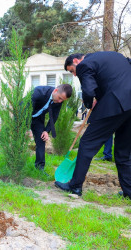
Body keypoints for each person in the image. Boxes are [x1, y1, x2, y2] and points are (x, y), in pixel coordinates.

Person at [56, 52, 131, 198]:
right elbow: (113, 80)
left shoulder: (84, 64)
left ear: (76, 61)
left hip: (116, 104)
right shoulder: (116, 57)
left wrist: (90, 103)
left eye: (72, 70)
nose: (75, 75)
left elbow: (89, 90)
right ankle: (129, 192)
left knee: (87, 143)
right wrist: (101, 97)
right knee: (123, 152)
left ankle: (75, 186)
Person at [30, 84, 73, 171]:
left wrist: (46, 131)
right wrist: (25, 128)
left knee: (42, 139)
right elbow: (25, 108)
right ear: (55, 91)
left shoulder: (58, 101)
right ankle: (14, 165)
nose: (60, 101)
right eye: (60, 98)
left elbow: (54, 116)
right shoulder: (38, 92)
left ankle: (39, 168)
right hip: (22, 116)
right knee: (17, 139)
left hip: (37, 118)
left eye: (63, 100)